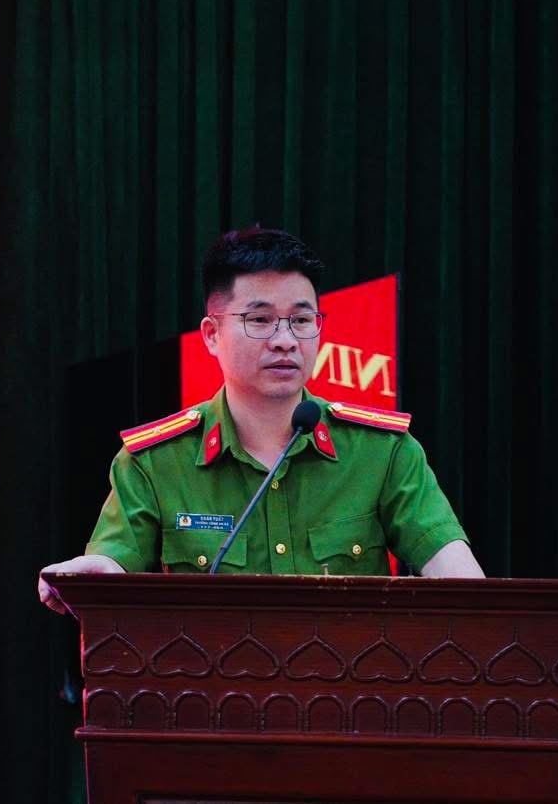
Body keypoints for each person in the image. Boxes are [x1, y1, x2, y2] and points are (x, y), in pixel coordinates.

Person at [38, 227, 483, 613]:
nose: (285, 340)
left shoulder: (382, 451)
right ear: (212, 334)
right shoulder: (154, 463)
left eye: (301, 320)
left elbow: (455, 572)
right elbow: (113, 564)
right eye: (260, 319)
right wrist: (95, 573)